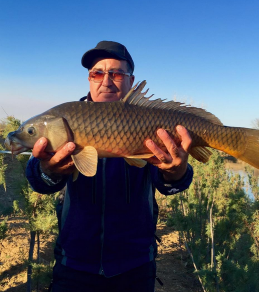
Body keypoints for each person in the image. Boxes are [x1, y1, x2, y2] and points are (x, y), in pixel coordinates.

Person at [26, 41, 193, 292]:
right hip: (74, 263)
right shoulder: (65, 118)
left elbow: (171, 184)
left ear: (131, 80)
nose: (106, 81)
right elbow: (38, 182)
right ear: (89, 79)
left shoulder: (149, 118)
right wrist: (48, 171)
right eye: (97, 73)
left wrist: (176, 170)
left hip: (135, 265)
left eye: (116, 73)